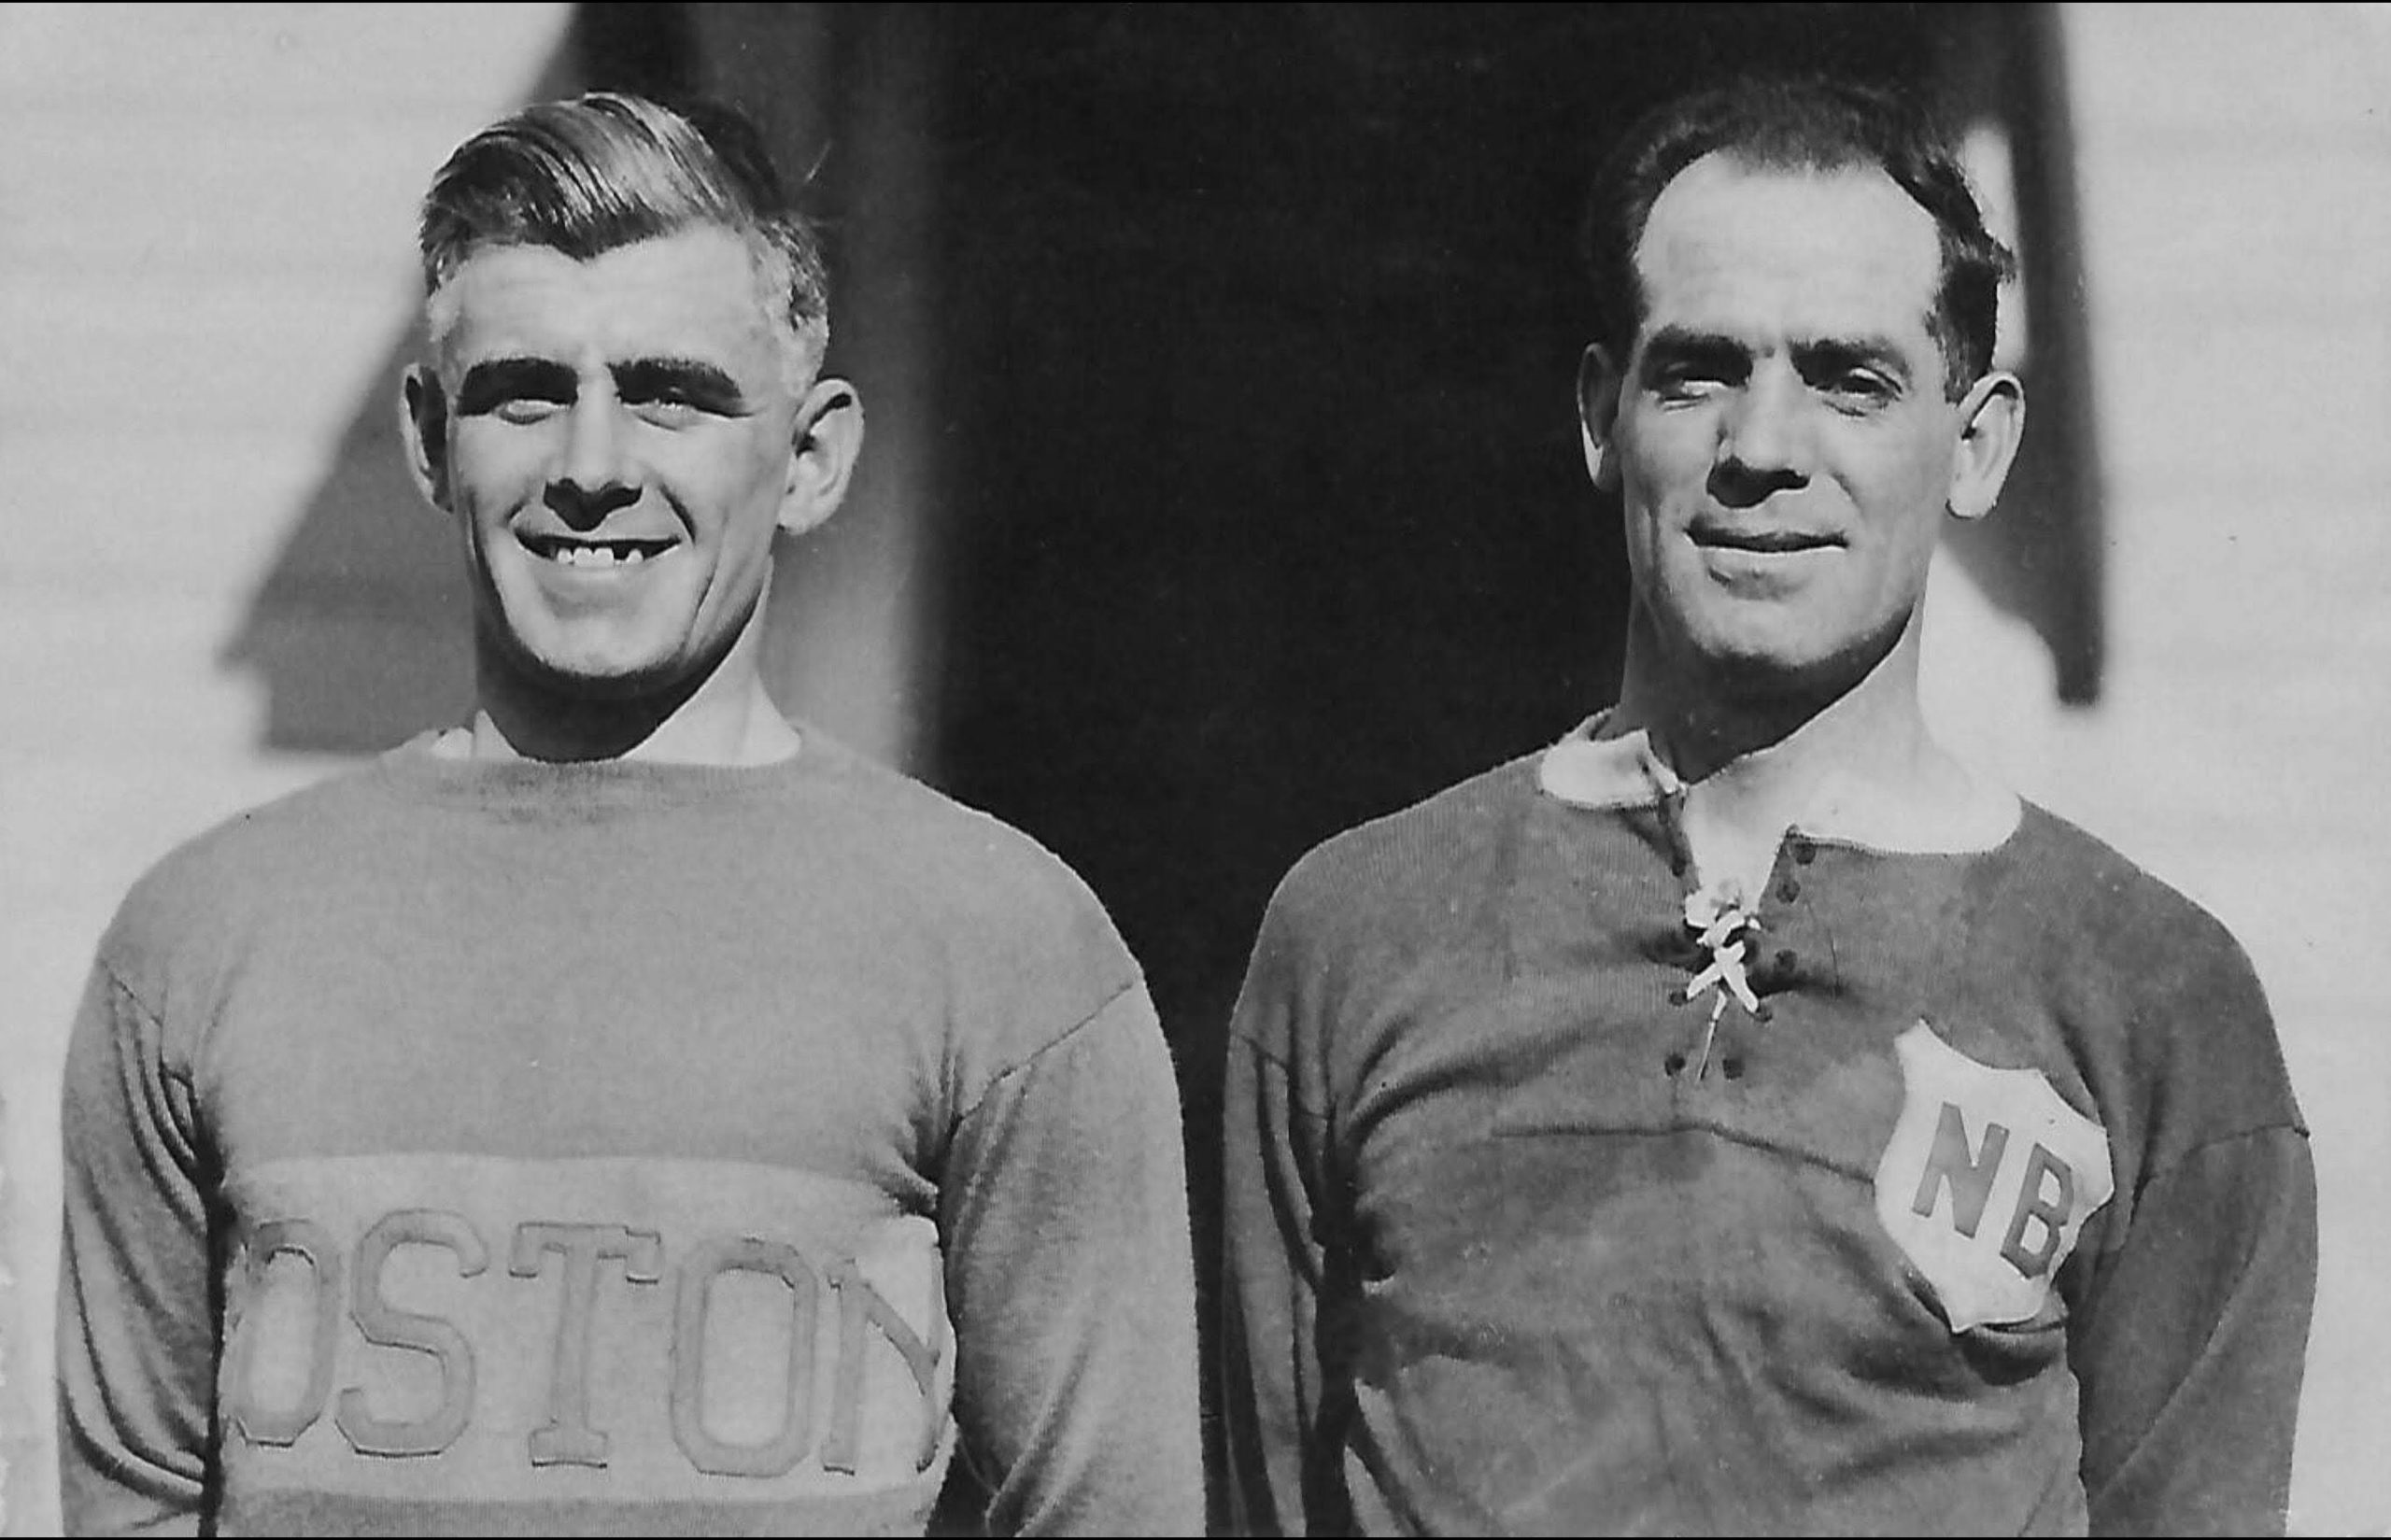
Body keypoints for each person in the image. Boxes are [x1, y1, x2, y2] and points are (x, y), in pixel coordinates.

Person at [56, 90, 1204, 1536]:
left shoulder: (1006, 949)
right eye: (524, 392)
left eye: (673, 393)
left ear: (811, 457)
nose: (592, 466)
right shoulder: (204, 942)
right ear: (430, 442)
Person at [1218, 71, 2315, 1536]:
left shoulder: (2151, 999)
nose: (1763, 448)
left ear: (1976, 442)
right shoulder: (1357, 933)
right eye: (1698, 372)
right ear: (1602, 416)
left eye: (1851, 379)